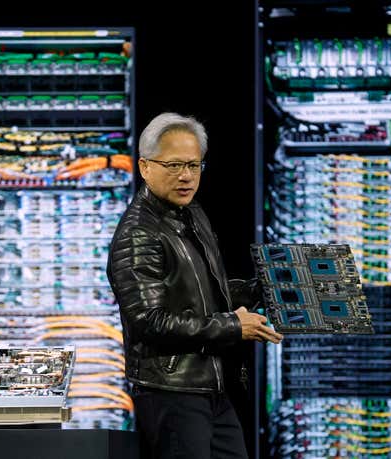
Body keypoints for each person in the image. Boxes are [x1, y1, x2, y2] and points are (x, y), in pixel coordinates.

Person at [107, 112, 283, 459]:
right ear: (144, 167)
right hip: (172, 392)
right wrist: (234, 325)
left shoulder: (190, 214)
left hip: (212, 388)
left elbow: (201, 291)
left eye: (194, 165)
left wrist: (259, 290)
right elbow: (150, 321)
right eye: (173, 165)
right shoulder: (139, 233)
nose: (186, 176)